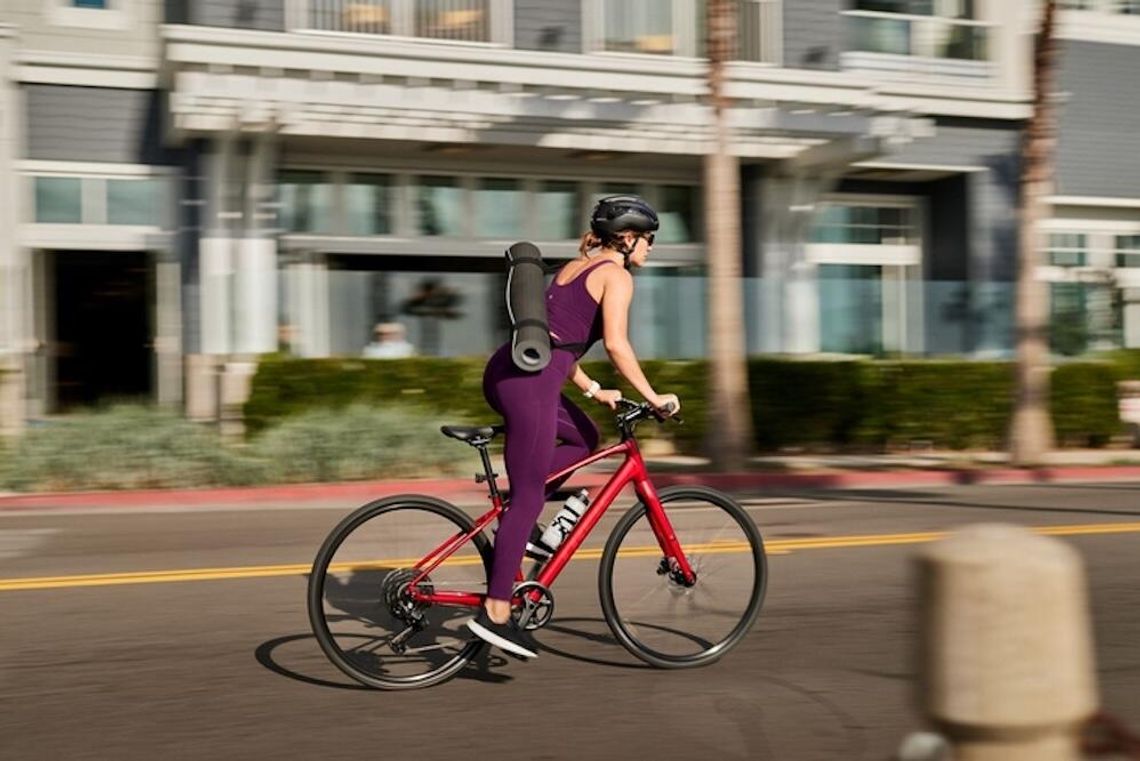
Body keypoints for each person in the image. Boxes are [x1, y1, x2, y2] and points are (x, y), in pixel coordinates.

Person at [467, 195, 681, 658]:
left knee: (586, 437)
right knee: (529, 496)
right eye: (648, 238)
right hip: (530, 383)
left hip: (508, 371)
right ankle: (496, 612)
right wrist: (654, 398)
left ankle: (519, 514)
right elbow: (618, 346)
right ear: (627, 238)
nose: (651, 247)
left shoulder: (574, 267)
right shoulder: (617, 276)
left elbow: (555, 339)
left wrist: (592, 389)